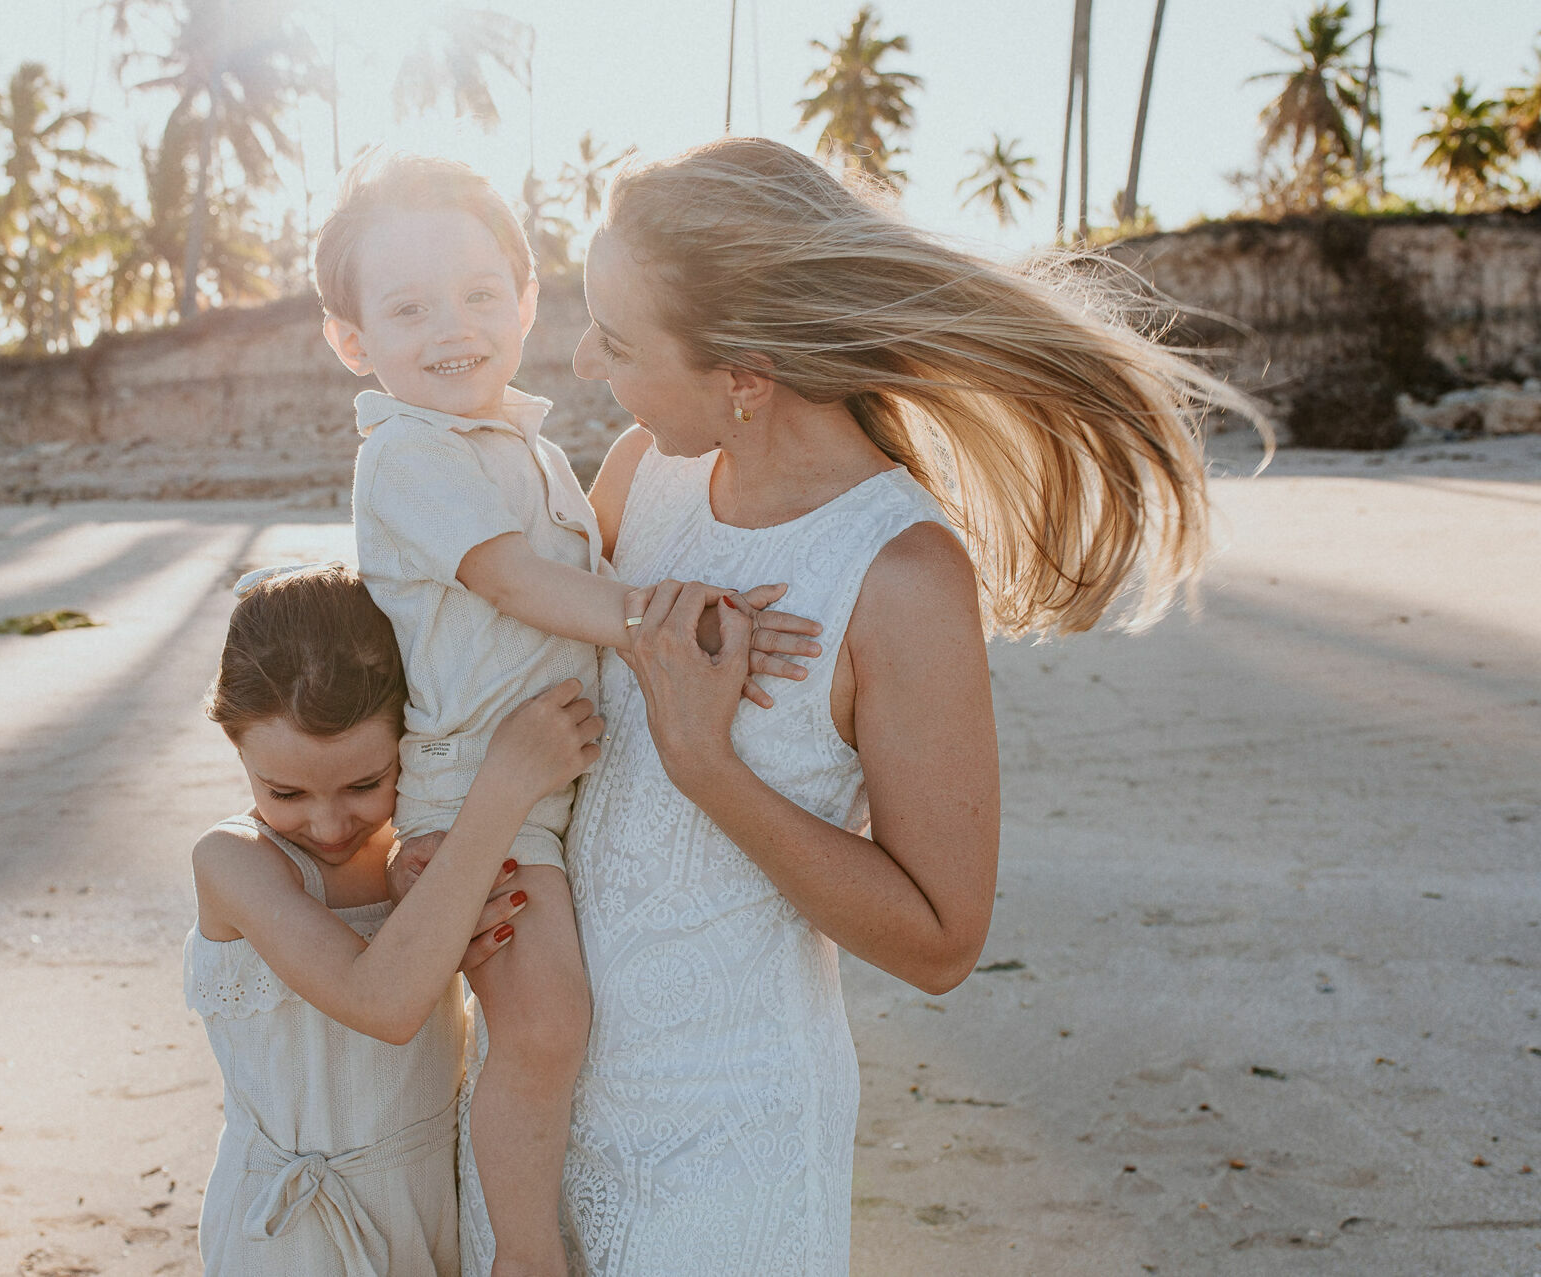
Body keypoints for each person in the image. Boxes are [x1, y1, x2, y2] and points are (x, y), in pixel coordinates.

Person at [395, 136, 1260, 1273]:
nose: (585, 359)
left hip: (728, 1145)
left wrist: (708, 766)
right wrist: (441, 854)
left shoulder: (899, 572)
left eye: (619, 338)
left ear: (744, 379)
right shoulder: (642, 475)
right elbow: (508, 683)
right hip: (533, 1110)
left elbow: (943, 939)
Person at [314, 155, 815, 1276]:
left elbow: (580, 572)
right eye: (408, 309)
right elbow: (513, 582)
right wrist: (677, 620)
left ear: (528, 299)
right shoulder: (405, 454)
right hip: (479, 793)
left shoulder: (529, 449)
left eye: (479, 293)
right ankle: (526, 1253)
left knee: (560, 1017)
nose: (453, 327)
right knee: (543, 1022)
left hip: (551, 789)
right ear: (353, 341)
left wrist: (694, 607)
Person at [184, 562, 603, 1275]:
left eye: (364, 783)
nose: (328, 823)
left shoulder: (416, 854)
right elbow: (383, 1003)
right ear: (236, 746)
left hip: (430, 1206)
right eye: (285, 791)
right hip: (294, 1232)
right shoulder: (235, 862)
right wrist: (505, 783)